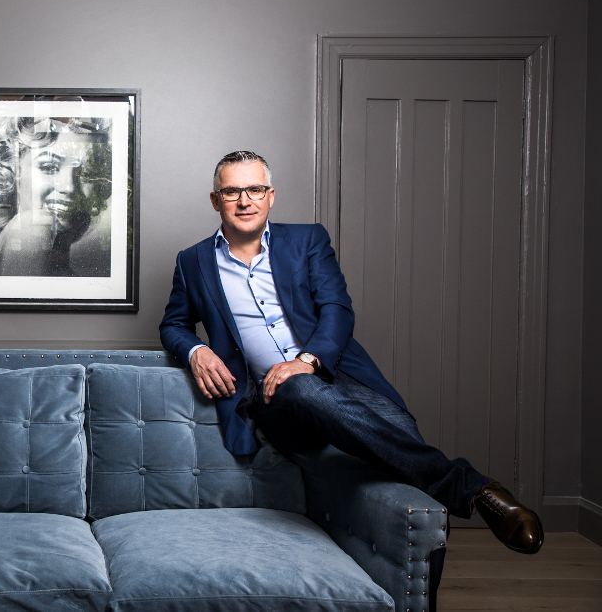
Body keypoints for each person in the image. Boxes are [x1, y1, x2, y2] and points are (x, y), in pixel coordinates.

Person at [159, 150, 544, 554]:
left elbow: (336, 308)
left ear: (270, 195)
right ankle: (476, 490)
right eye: (232, 190)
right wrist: (196, 350)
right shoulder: (193, 261)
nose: (244, 200)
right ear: (215, 199)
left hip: (337, 376)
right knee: (297, 389)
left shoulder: (307, 240)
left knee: (405, 453)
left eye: (254, 188)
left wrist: (306, 361)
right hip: (275, 402)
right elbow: (172, 324)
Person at [0, 116, 111, 277]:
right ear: (11, 174)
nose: (69, 187)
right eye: (49, 167)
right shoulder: (30, 228)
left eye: (86, 173)